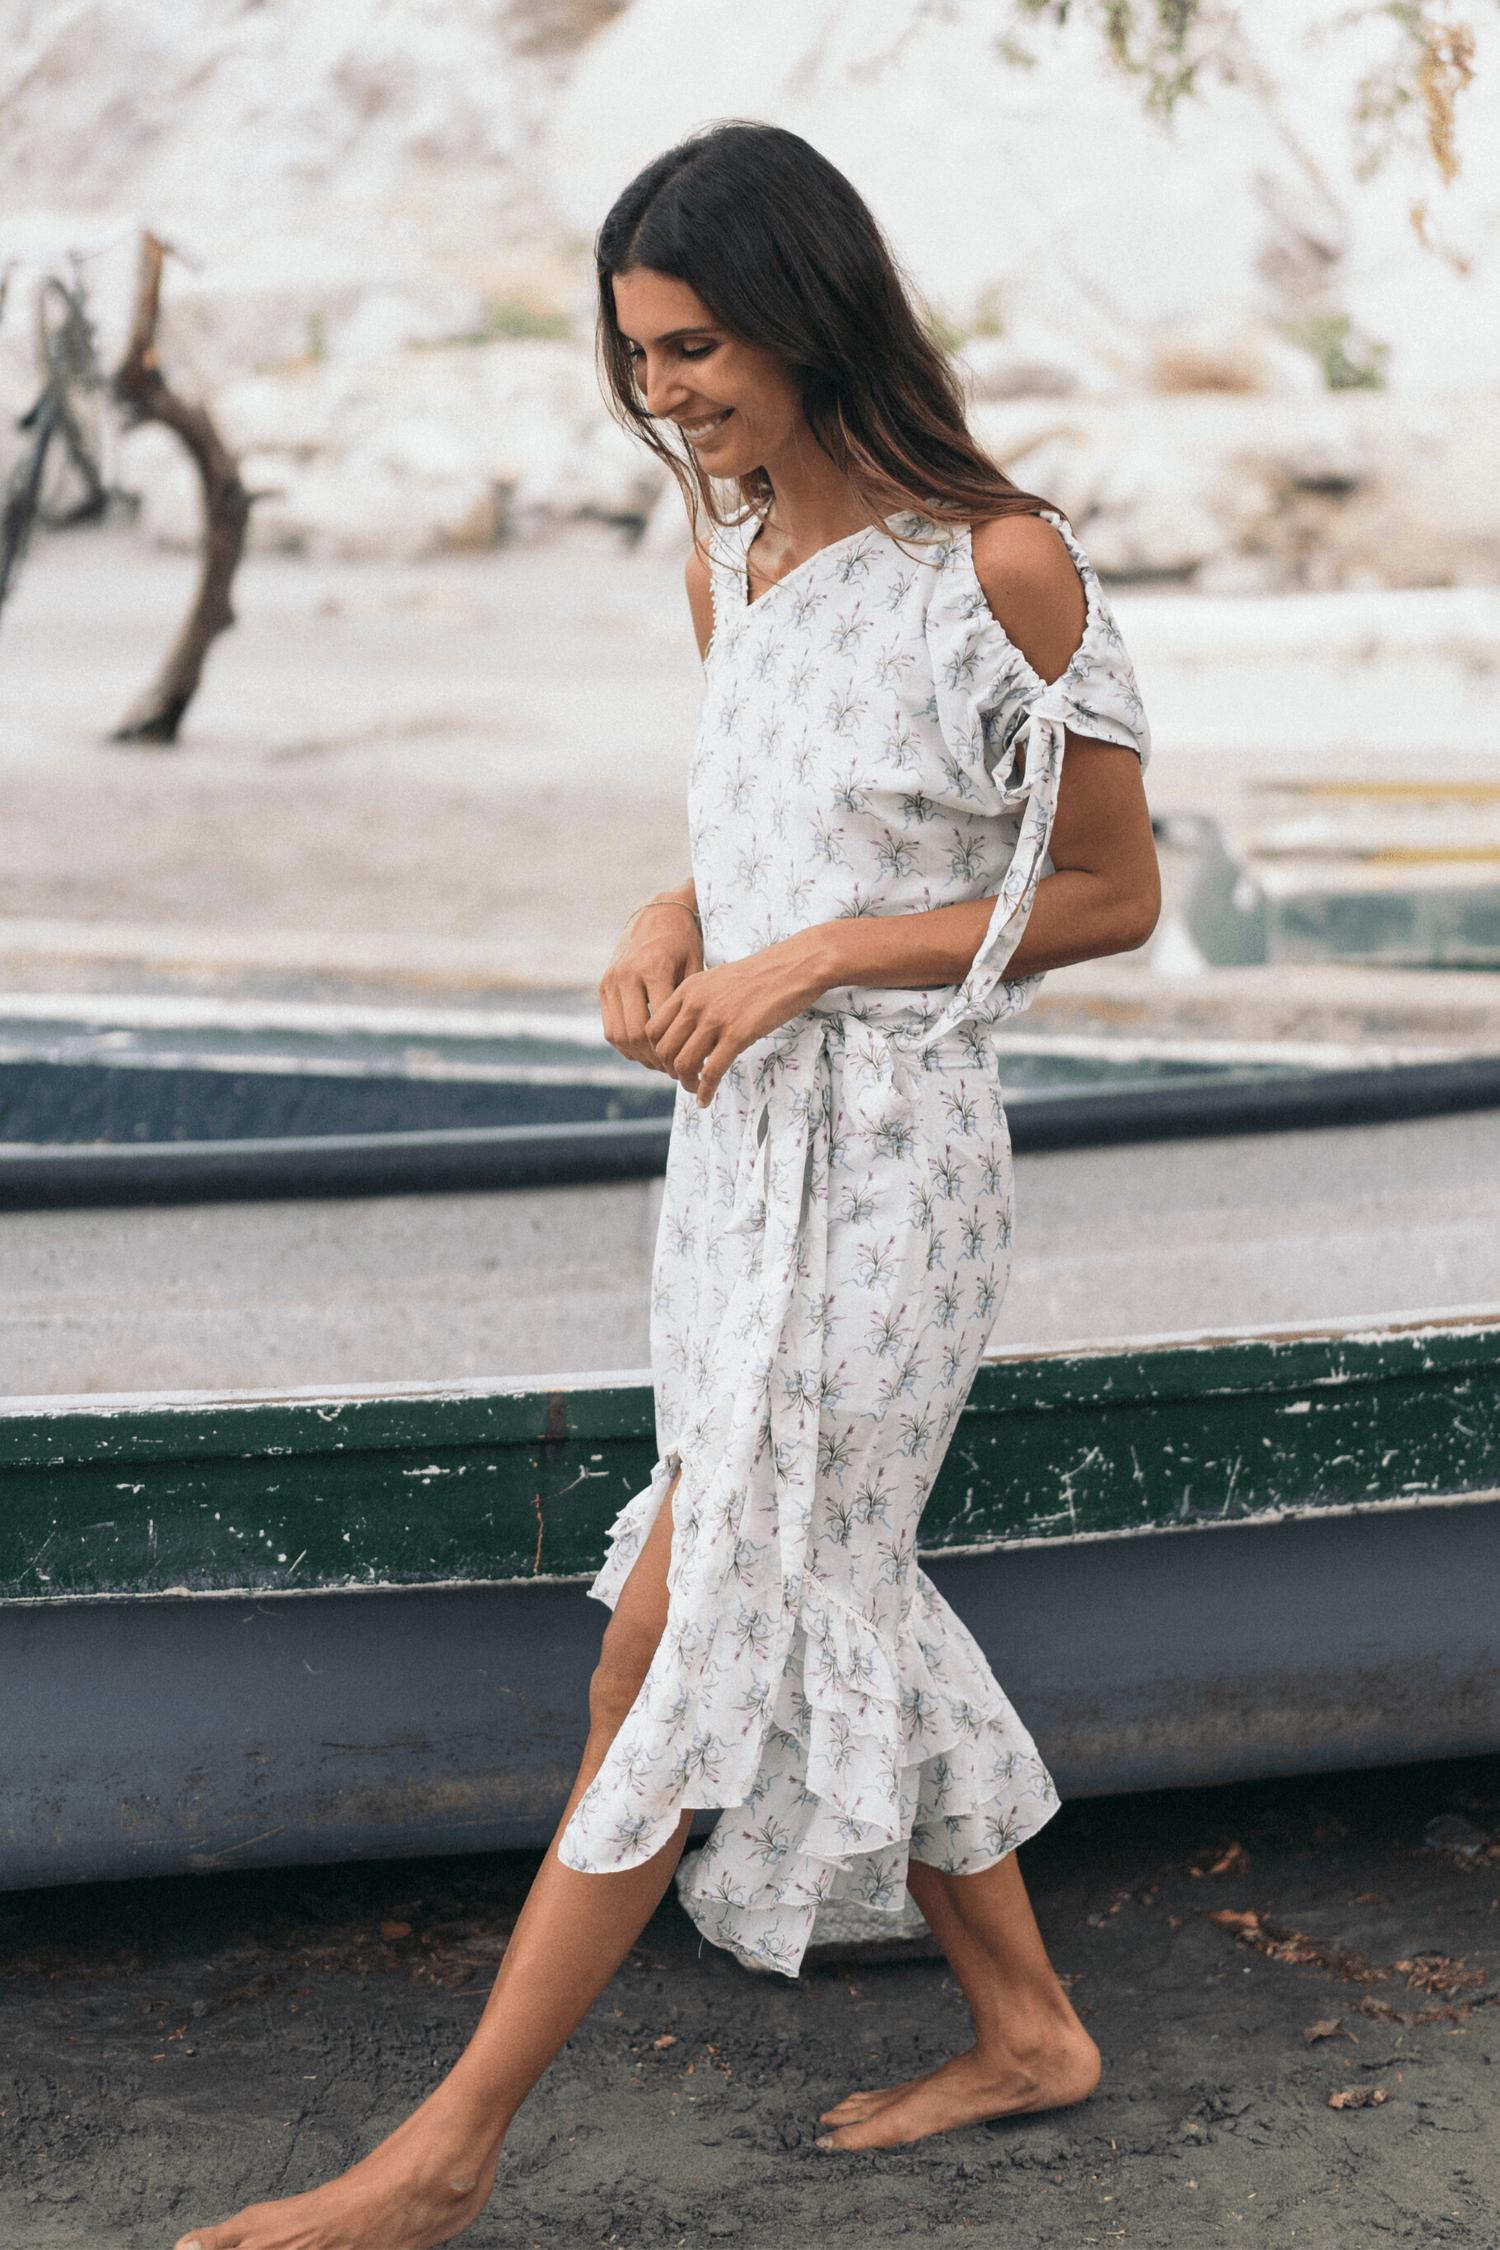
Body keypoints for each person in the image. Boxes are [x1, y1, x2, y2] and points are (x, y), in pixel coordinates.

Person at [173, 118, 1159, 2250]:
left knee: (682, 1626)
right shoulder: (728, 560)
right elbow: (771, 831)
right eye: (635, 354)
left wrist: (815, 960)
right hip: (728, 1164)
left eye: (694, 345)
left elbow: (1107, 894)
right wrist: (671, 917)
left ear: (807, 315)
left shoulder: (1003, 568)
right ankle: (1028, 2028)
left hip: (896, 1176)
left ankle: (446, 2152)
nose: (663, 392)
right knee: (823, 1572)